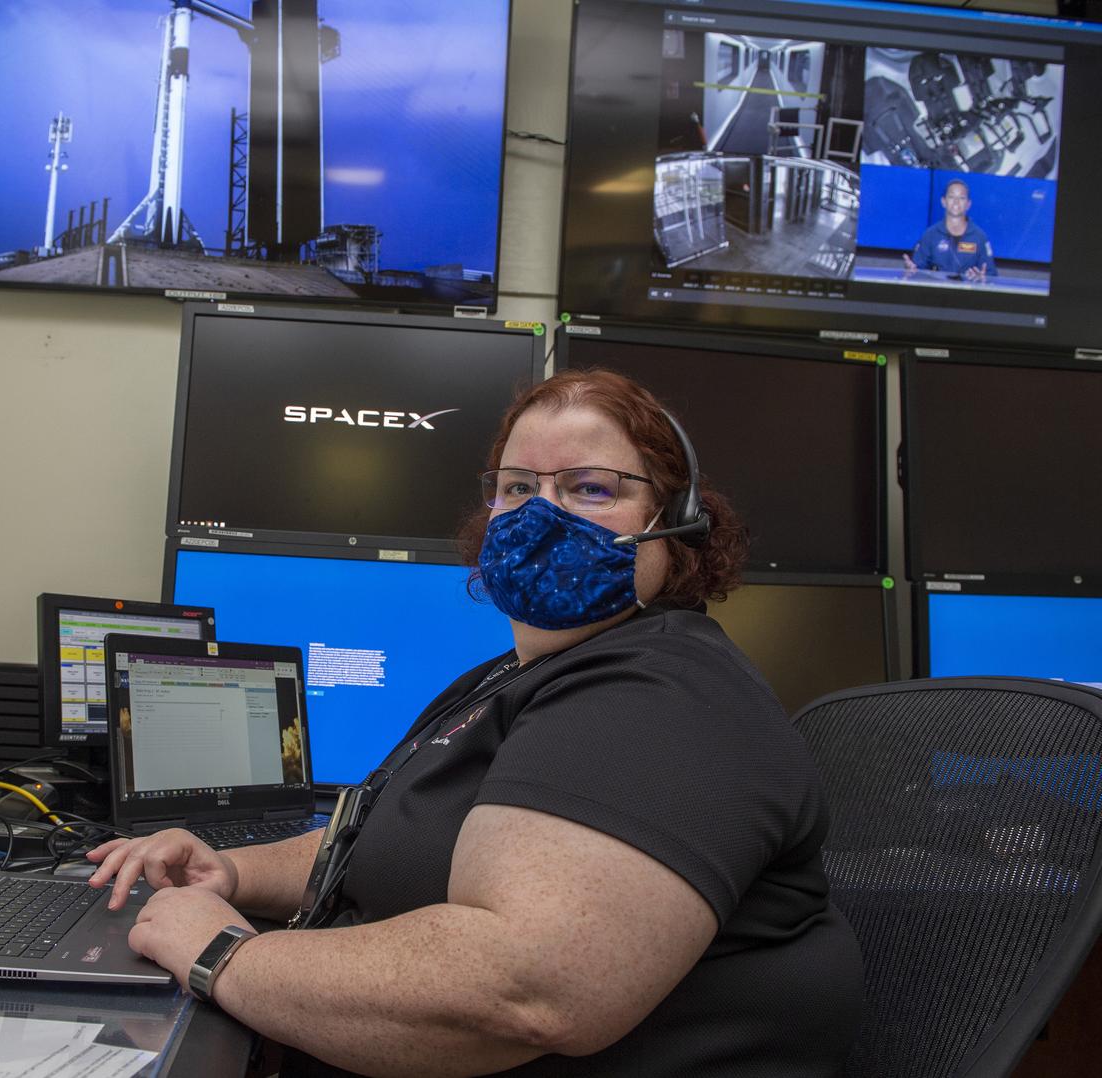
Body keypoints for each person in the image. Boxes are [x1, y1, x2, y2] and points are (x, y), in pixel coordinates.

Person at [86, 369, 864, 1076]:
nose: (542, 517)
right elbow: (390, 835)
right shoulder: (512, 678)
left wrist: (220, 953)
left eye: (591, 488)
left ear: (676, 523)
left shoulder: (662, 695)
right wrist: (235, 872)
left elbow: (523, 989)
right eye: (520, 488)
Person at [903, 178, 998, 280]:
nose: (956, 202)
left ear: (968, 204)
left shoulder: (980, 237)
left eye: (961, 198)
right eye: (951, 197)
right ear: (943, 201)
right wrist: (911, 271)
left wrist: (983, 278)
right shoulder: (930, 234)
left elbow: (991, 275)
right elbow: (917, 270)